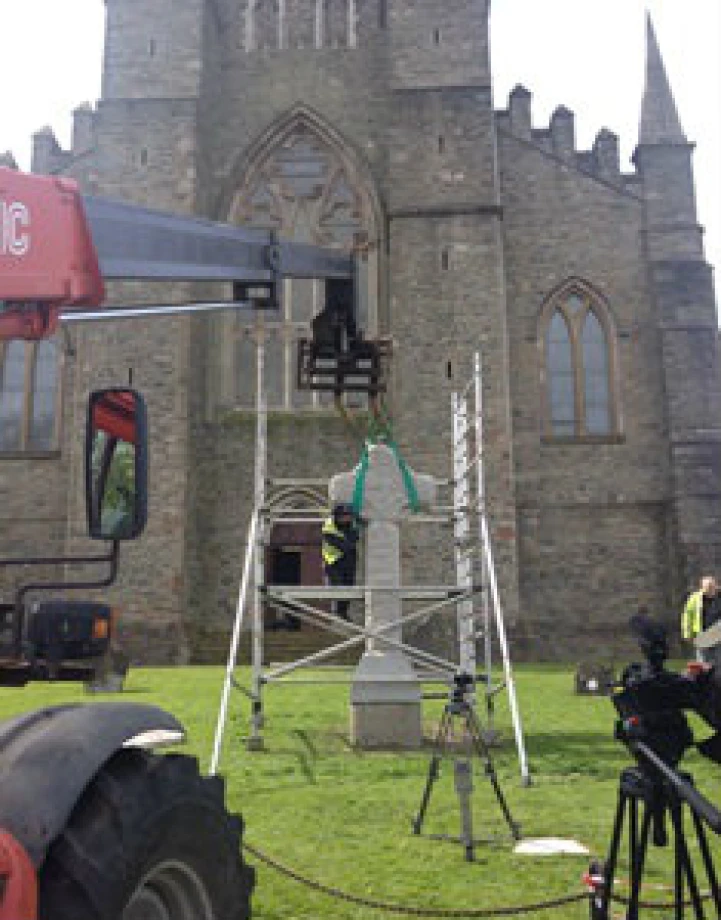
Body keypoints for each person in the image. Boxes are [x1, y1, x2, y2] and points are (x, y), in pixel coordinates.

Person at [322, 503, 360, 621]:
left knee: (348, 588)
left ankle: (342, 612)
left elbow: (354, 539)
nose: (346, 518)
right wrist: (350, 541)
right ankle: (338, 611)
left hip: (349, 562)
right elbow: (345, 545)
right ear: (337, 517)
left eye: (348, 516)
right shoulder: (329, 529)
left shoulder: (351, 526)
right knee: (339, 587)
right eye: (344, 516)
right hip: (333, 563)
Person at [682, 576, 721, 658]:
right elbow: (687, 616)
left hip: (718, 634)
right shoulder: (694, 598)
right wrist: (688, 634)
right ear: (702, 588)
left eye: (712, 587)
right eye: (707, 588)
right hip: (702, 634)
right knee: (703, 662)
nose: (710, 590)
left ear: (716, 586)